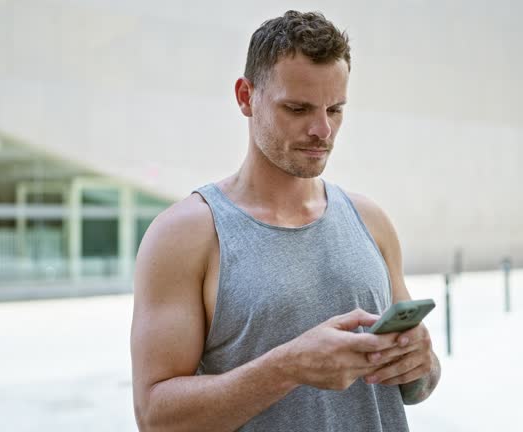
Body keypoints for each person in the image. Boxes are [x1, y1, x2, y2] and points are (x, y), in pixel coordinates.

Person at [130, 10, 440, 432]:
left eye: (335, 109)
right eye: (298, 108)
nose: (322, 130)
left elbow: (418, 387)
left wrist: (422, 363)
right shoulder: (186, 235)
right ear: (245, 97)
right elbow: (155, 417)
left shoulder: (371, 220)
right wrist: (288, 367)